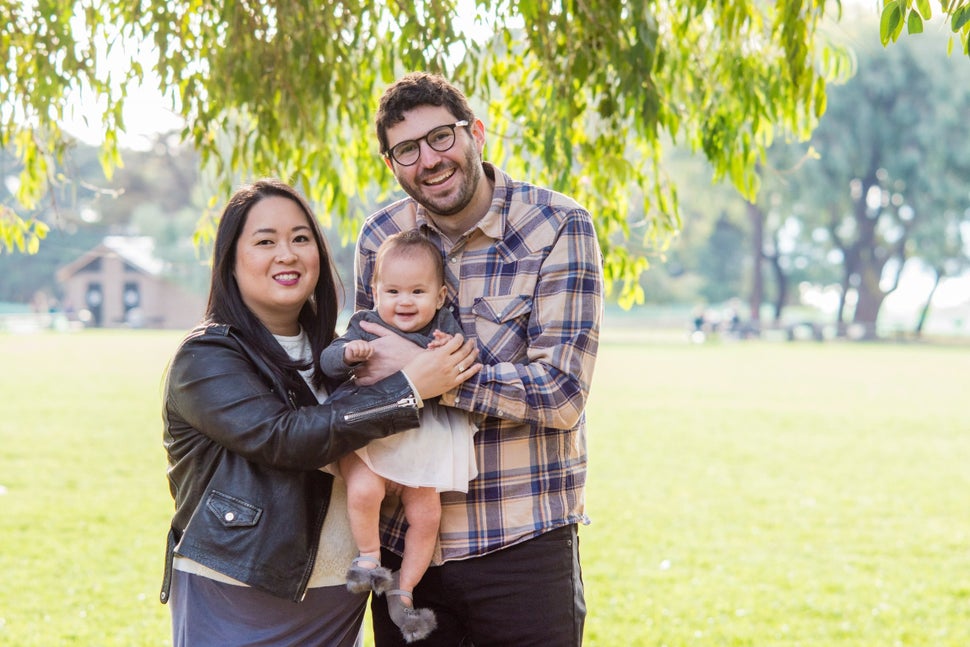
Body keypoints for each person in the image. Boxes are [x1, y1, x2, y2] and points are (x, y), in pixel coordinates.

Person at [159, 178, 480, 647]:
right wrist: (410, 387)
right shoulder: (207, 358)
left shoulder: (338, 348)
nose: (286, 254)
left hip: (337, 602)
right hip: (241, 593)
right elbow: (285, 439)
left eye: (301, 239)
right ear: (231, 260)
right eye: (265, 241)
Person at [353, 72, 604, 646]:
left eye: (441, 137)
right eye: (407, 149)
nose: (430, 160)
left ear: (476, 133)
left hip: (522, 542)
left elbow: (563, 393)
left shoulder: (557, 226)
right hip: (405, 548)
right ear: (392, 164)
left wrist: (435, 380)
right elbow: (369, 369)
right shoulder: (380, 237)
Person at [320, 229, 478, 643]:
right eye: (392, 290)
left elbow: (464, 358)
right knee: (364, 490)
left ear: (441, 296)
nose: (404, 301)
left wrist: (449, 347)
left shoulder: (444, 326)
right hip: (374, 435)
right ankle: (370, 557)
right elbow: (329, 361)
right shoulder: (365, 325)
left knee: (427, 516)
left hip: (421, 440)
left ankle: (405, 588)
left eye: (417, 291)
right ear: (374, 292)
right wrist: (347, 354)